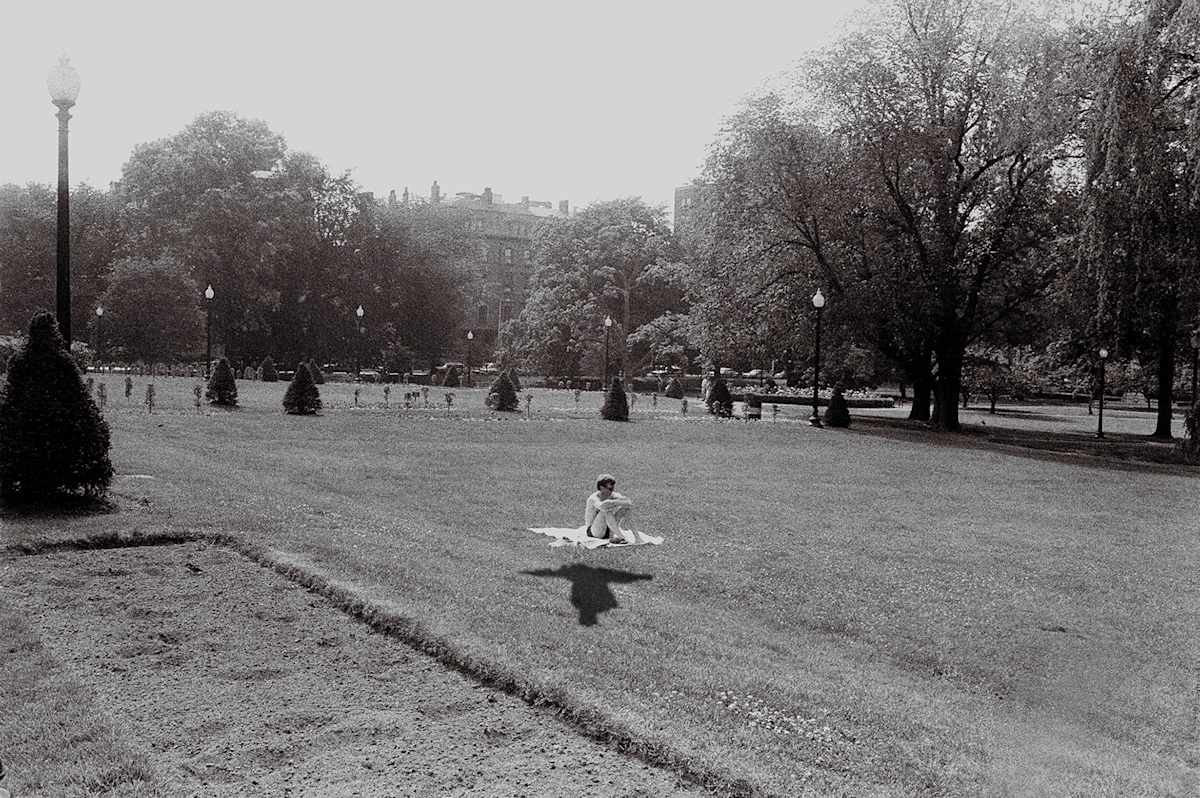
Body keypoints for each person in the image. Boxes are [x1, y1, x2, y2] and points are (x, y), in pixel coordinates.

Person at [585, 474, 633, 544]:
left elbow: (629, 503)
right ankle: (621, 537)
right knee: (606, 510)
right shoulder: (593, 498)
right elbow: (601, 506)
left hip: (610, 531)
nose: (612, 491)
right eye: (610, 489)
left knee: (626, 509)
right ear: (601, 487)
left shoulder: (613, 495)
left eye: (613, 489)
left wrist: (613, 502)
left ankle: (637, 537)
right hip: (595, 532)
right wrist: (615, 502)